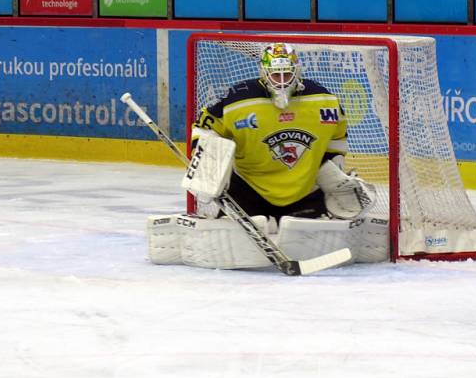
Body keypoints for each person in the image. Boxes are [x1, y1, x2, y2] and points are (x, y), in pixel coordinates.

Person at [146, 42, 383, 269]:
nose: (280, 81)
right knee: (223, 219)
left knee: (319, 223)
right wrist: (209, 164)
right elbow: (204, 126)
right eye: (275, 75)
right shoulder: (238, 100)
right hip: (249, 190)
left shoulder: (323, 100)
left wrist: (333, 167)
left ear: (296, 71)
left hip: (303, 192)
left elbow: (338, 134)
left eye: (286, 74)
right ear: (263, 72)